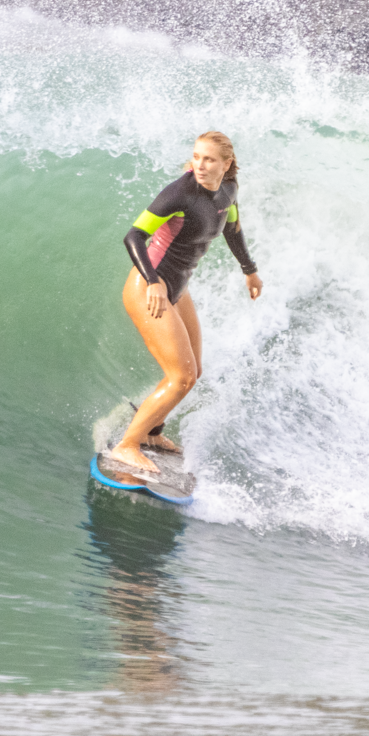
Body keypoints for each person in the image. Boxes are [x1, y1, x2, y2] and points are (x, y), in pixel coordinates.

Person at [104, 131, 261, 477]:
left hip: (178, 287)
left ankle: (152, 432)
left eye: (208, 159)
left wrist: (249, 271)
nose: (200, 165)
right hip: (150, 286)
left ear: (226, 164)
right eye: (196, 157)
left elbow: (232, 229)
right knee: (181, 376)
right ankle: (127, 445)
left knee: (193, 373)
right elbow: (134, 236)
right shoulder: (181, 193)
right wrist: (154, 281)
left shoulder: (227, 192)